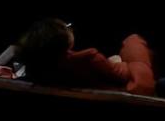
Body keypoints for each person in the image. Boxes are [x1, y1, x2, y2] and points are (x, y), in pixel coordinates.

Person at [18, 17, 154, 94]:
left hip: (91, 84)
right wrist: (120, 63)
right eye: (67, 27)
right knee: (134, 41)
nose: (70, 29)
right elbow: (123, 75)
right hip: (124, 91)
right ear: (63, 40)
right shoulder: (89, 58)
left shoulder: (36, 64)